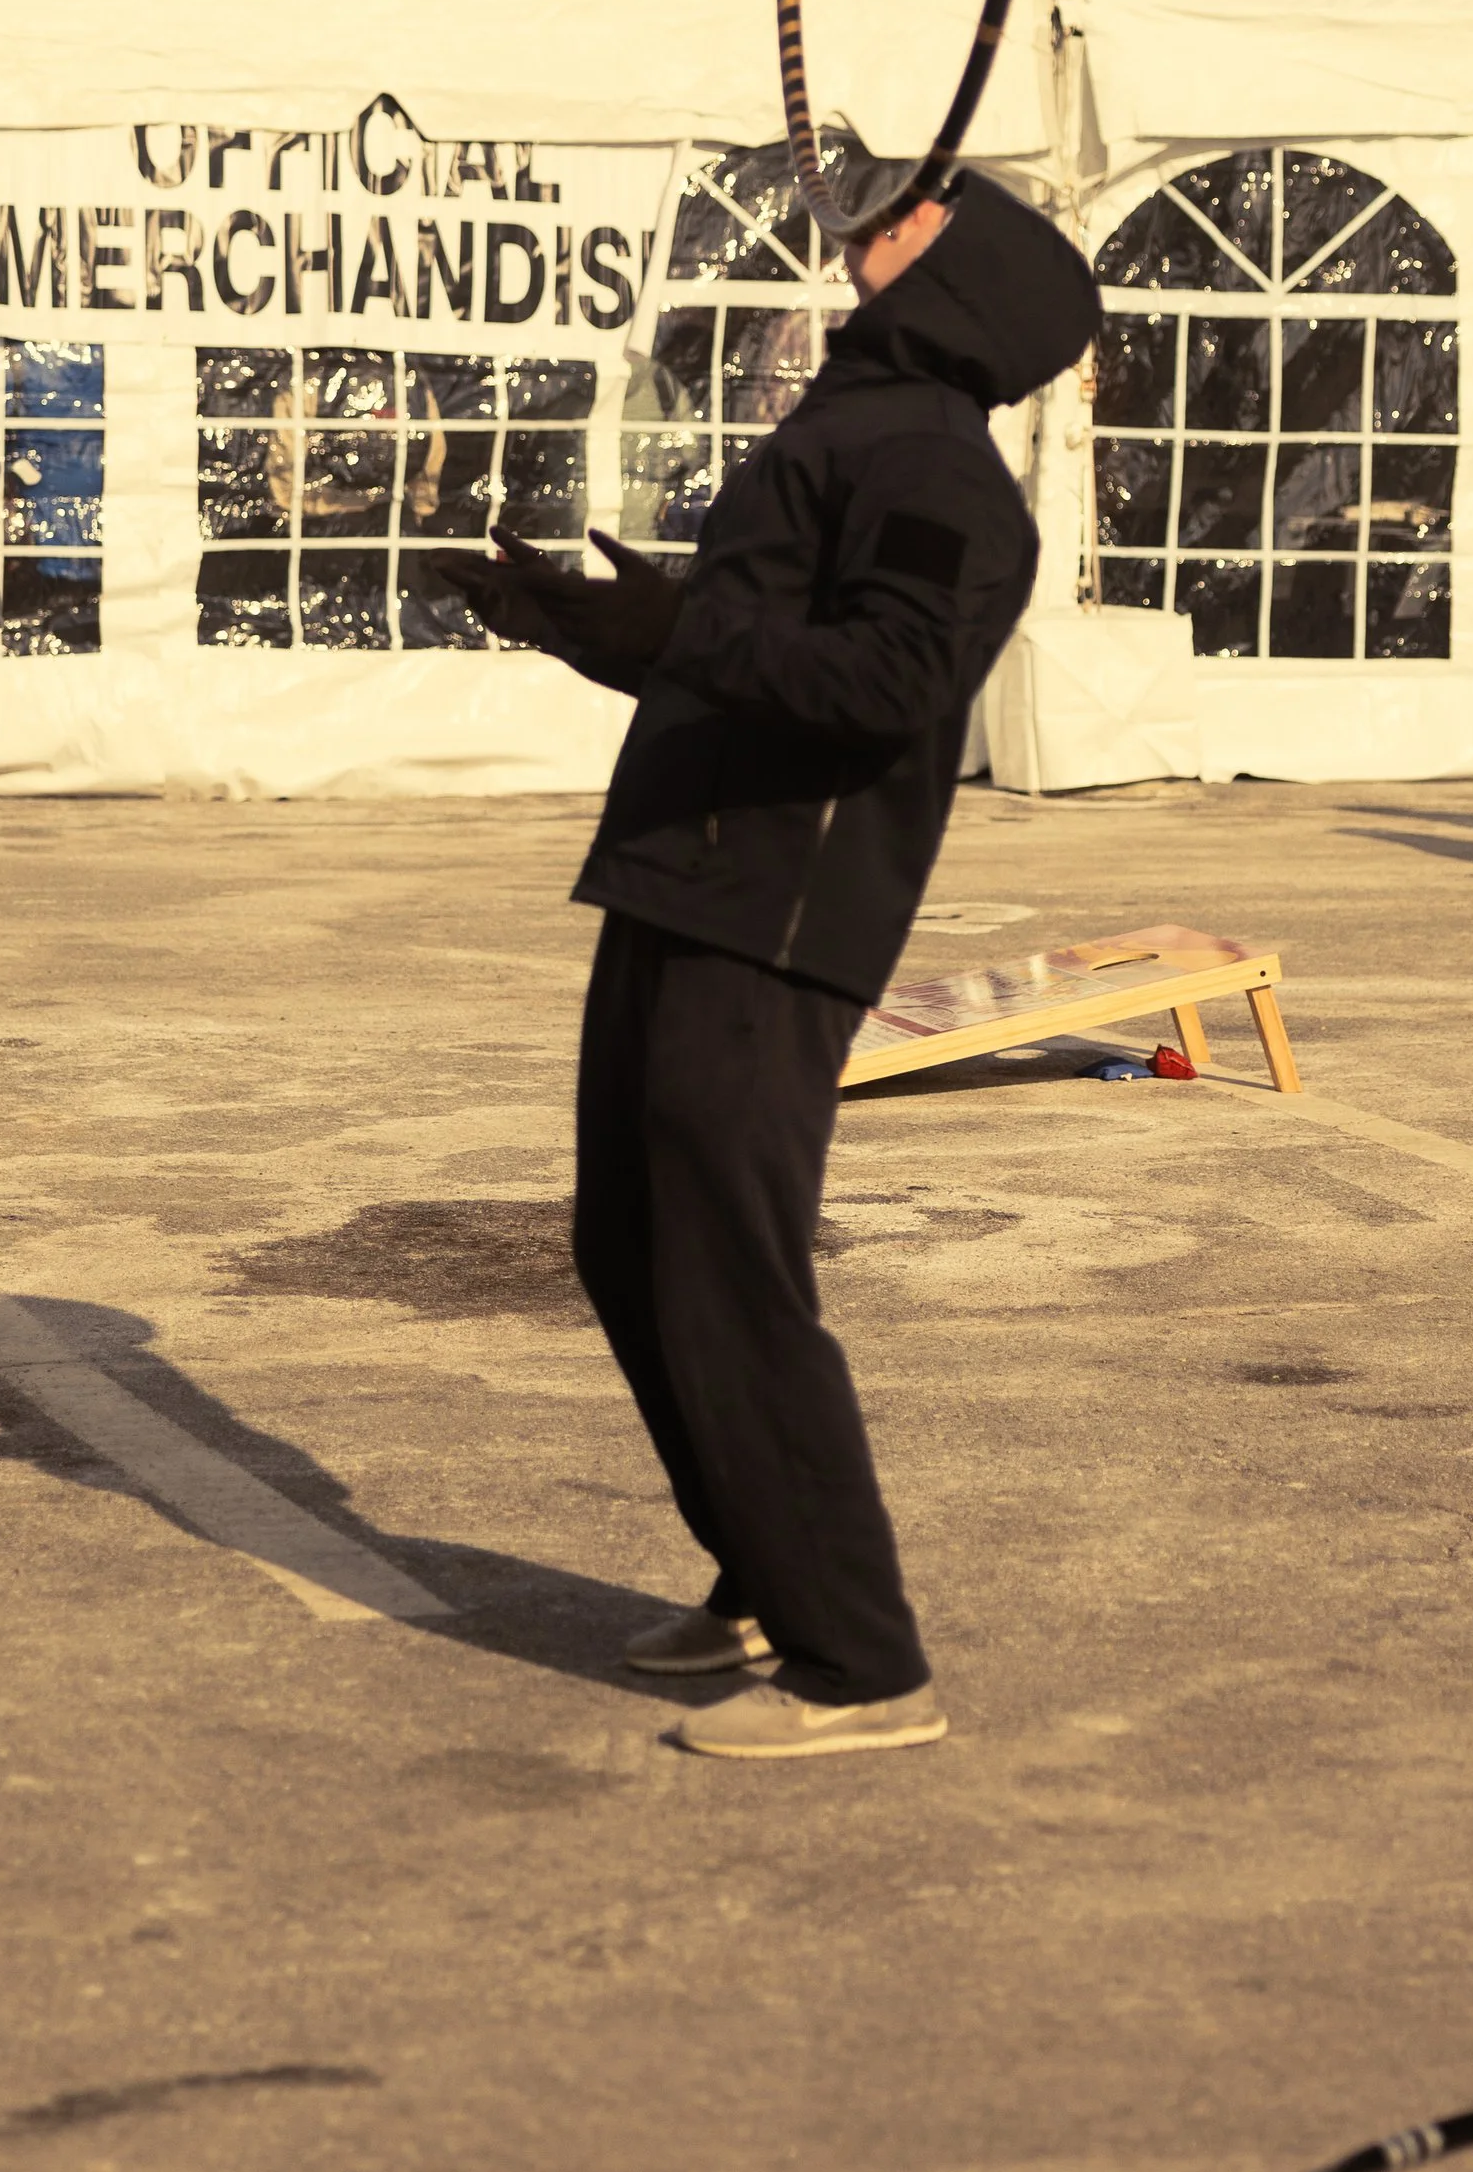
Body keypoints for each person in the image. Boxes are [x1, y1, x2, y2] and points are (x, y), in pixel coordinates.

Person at [436, 162, 1100, 1762]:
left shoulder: (944, 471)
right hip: (680, 864)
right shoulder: (842, 426)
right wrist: (589, 625)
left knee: (732, 1276)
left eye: (921, 220)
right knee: (627, 1244)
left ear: (974, 282)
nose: (877, 226)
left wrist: (684, 637)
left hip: (782, 907)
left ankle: (862, 1664)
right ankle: (759, 1569)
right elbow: (753, 661)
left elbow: (884, 684)